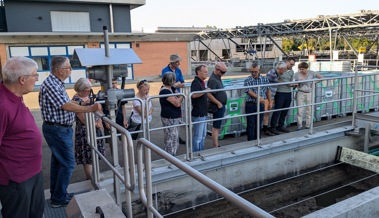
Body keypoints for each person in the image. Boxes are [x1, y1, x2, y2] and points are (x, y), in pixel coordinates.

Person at [39, 56, 102, 208]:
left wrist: (81, 102)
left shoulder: (56, 82)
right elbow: (65, 105)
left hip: (60, 128)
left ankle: (57, 194)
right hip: (57, 129)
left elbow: (67, 101)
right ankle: (58, 199)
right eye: (69, 67)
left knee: (59, 164)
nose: (71, 70)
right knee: (68, 163)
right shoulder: (51, 84)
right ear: (60, 70)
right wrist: (89, 108)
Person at [0, 57, 45, 218]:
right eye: (35, 75)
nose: (37, 78)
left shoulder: (16, 95)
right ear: (22, 79)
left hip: (33, 172)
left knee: (36, 213)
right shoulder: (2, 105)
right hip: (16, 179)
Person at [72, 78, 106, 180]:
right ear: (79, 90)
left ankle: (96, 175)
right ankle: (91, 179)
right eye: (85, 91)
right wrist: (96, 124)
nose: (87, 93)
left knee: (95, 154)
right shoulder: (76, 101)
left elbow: (99, 110)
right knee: (88, 158)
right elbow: (82, 119)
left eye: (88, 90)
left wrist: (100, 121)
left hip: (95, 129)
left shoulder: (89, 97)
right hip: (85, 132)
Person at [161, 54, 186, 144]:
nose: (179, 63)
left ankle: (176, 137)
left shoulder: (178, 70)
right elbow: (167, 83)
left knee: (177, 116)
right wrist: (175, 85)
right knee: (171, 121)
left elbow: (182, 82)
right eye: (177, 62)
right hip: (172, 95)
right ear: (172, 62)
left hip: (176, 93)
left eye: (179, 61)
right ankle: (171, 144)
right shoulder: (165, 70)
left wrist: (176, 85)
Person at [244, 63, 272, 141]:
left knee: (259, 124)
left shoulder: (265, 79)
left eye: (255, 72)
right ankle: (250, 141)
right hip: (250, 104)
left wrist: (270, 102)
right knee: (251, 124)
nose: (253, 73)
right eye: (252, 71)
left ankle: (258, 140)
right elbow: (249, 92)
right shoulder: (247, 80)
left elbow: (268, 91)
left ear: (259, 71)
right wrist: (259, 98)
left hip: (260, 104)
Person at [267, 60, 295, 135]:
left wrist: (292, 84)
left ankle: (281, 125)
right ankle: (273, 127)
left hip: (288, 92)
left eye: (293, 64)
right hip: (279, 92)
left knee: (285, 110)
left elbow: (290, 80)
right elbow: (267, 84)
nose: (291, 65)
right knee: (277, 110)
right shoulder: (274, 73)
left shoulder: (291, 71)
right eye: (291, 63)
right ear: (287, 62)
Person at [159, 72, 184, 156]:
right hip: (170, 117)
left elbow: (177, 97)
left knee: (174, 137)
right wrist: (182, 96)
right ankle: (170, 156)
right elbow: (177, 103)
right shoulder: (165, 91)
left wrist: (179, 97)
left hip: (174, 117)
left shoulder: (171, 88)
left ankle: (172, 155)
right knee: (171, 138)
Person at [294, 62, 324, 130]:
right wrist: (297, 84)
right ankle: (299, 126)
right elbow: (294, 82)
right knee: (300, 110)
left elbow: (321, 78)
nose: (301, 71)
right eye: (300, 69)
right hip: (300, 92)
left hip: (309, 93)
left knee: (309, 110)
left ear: (306, 68)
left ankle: (308, 125)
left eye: (303, 69)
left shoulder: (312, 73)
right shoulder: (297, 74)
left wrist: (314, 83)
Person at [207, 62, 227, 147]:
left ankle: (216, 144)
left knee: (217, 126)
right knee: (216, 126)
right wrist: (218, 103)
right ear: (216, 69)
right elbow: (208, 94)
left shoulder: (217, 77)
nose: (223, 74)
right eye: (222, 72)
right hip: (218, 106)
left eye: (224, 72)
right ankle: (215, 145)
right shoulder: (213, 80)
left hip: (220, 105)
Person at [191, 65, 209, 152]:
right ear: (198, 72)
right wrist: (204, 91)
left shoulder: (201, 82)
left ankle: (201, 151)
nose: (206, 74)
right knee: (198, 136)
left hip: (203, 113)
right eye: (205, 72)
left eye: (207, 72)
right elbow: (193, 95)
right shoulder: (195, 82)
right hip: (198, 113)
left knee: (203, 134)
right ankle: (196, 152)